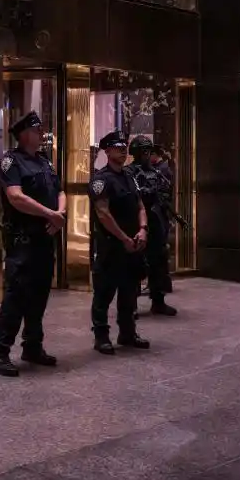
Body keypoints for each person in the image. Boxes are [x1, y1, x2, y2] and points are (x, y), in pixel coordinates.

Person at [0, 111, 65, 377]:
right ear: (23, 134)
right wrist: (49, 214)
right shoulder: (11, 162)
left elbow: (60, 190)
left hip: (45, 237)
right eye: (37, 130)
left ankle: (32, 346)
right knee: (16, 297)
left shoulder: (44, 161)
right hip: (23, 241)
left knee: (40, 295)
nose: (42, 133)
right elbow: (16, 197)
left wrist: (60, 215)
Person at [89, 130, 151, 354]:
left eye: (125, 146)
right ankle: (101, 336)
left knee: (129, 292)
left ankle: (127, 332)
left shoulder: (129, 176)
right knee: (104, 293)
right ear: (107, 151)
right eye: (118, 147)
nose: (123, 150)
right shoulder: (100, 180)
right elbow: (103, 214)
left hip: (133, 244)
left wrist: (143, 230)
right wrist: (124, 238)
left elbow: (140, 206)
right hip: (111, 245)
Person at [125, 136, 177, 316]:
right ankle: (130, 305)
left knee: (159, 262)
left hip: (157, 222)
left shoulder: (156, 172)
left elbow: (165, 191)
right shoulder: (128, 172)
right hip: (137, 223)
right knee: (134, 264)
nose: (146, 155)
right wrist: (147, 194)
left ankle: (158, 300)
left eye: (148, 151)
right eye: (143, 151)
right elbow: (131, 197)